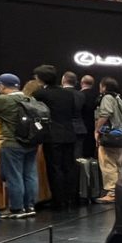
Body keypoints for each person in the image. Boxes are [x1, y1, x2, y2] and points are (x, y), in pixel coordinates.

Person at [0, 73, 39, 218]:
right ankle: (30, 206)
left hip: (11, 142)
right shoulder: (29, 98)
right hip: (31, 142)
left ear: (2, 86)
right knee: (30, 175)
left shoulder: (2, 99)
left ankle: (16, 208)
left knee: (14, 176)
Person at [32, 64, 80, 210]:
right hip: (69, 133)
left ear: (41, 78)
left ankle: (58, 200)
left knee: (55, 168)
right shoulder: (68, 94)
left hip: (52, 135)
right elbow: (73, 112)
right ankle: (71, 198)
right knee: (69, 166)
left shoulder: (40, 94)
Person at [94, 76, 122, 204]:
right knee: (118, 164)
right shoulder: (120, 99)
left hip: (110, 137)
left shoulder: (107, 98)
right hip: (121, 136)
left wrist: (97, 130)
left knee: (108, 163)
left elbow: (105, 114)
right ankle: (118, 191)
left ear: (104, 87)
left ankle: (112, 192)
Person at [63, 71, 86, 153]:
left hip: (64, 128)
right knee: (77, 154)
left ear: (63, 80)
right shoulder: (81, 94)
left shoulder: (61, 93)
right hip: (79, 128)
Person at [79, 74, 97, 158]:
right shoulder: (97, 96)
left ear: (81, 83)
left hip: (80, 128)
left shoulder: (78, 95)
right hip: (94, 127)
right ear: (92, 84)